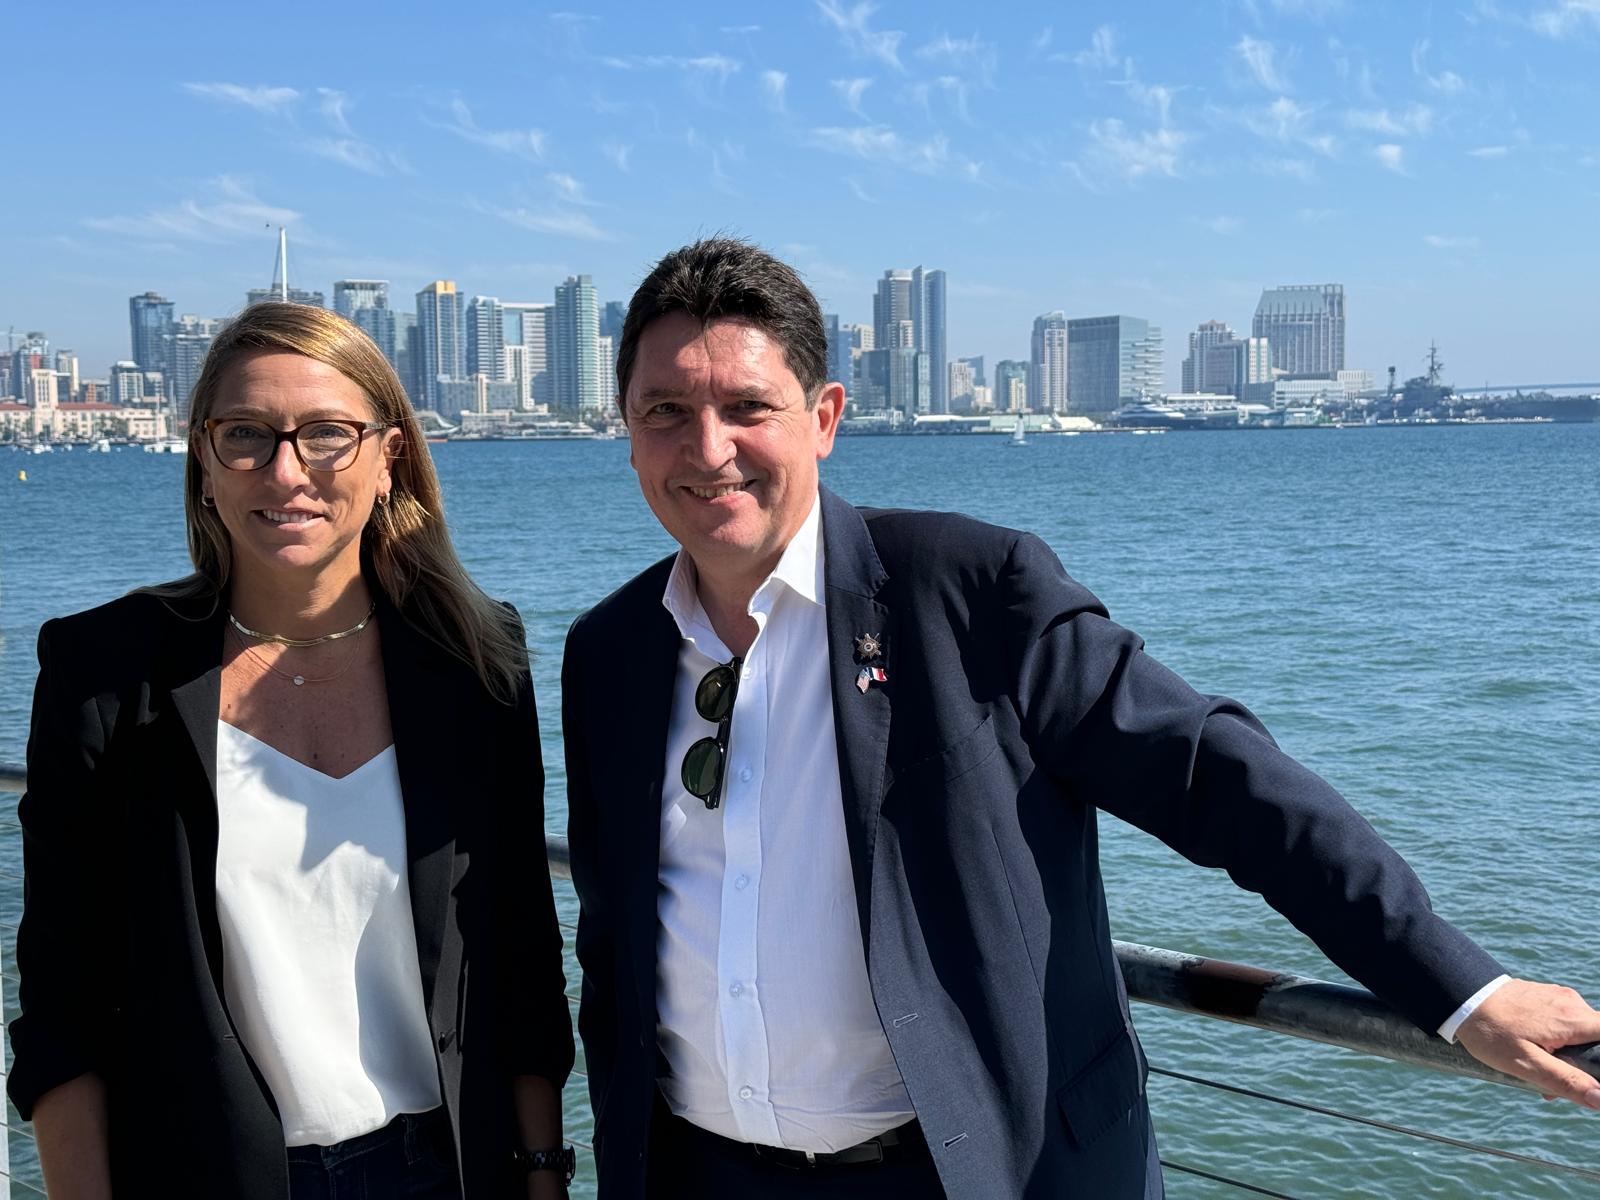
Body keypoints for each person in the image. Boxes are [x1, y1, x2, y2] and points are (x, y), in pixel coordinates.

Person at [561, 239, 1600, 1199]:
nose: (708, 448)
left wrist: (1460, 991)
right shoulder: (608, 652)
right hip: (698, 1172)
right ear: (628, 431)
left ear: (823, 418)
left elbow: (1215, 777)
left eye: (748, 406)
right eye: (666, 411)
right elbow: (617, 942)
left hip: (972, 1170)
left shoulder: (965, 589)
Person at [9, 303, 576, 1199]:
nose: (286, 470)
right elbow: (60, 1002)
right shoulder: (104, 673)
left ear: (388, 459)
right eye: (246, 434)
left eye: (327, 434)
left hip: (447, 1171)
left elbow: (523, 965)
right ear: (203, 460)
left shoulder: (476, 663)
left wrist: (543, 1176)